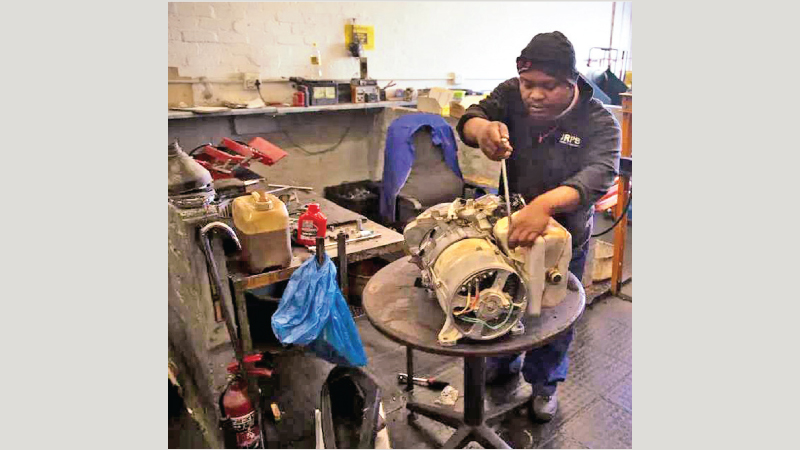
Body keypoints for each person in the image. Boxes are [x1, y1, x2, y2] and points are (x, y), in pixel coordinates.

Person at [456, 31, 621, 422]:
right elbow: (471, 117)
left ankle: (545, 383)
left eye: (548, 86)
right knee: (501, 298)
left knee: (552, 314)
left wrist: (545, 205)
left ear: (571, 83)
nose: (534, 94)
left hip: (564, 242)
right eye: (529, 84)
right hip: (508, 232)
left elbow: (601, 173)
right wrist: (482, 133)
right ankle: (501, 363)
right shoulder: (511, 95)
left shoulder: (599, 121)